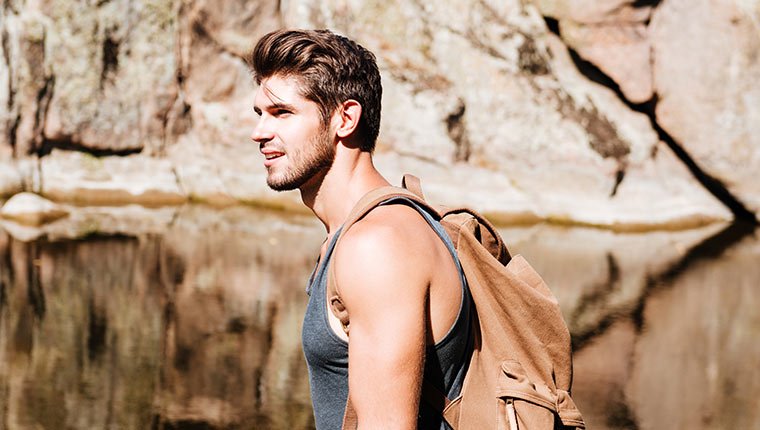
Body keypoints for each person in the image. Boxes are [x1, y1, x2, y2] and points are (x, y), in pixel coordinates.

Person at [249, 29, 471, 430]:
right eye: (259, 114)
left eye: (282, 113)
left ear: (345, 119)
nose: (259, 132)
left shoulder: (377, 244)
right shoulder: (356, 233)